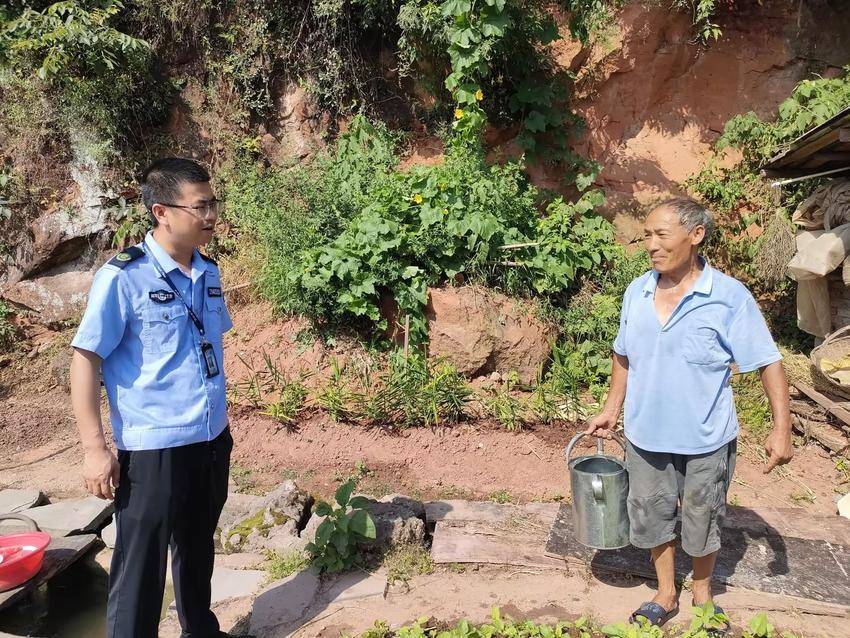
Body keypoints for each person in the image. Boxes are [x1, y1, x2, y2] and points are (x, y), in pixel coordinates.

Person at [585, 197, 794, 629]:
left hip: (706, 438)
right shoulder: (637, 292)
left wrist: (782, 428)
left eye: (661, 235)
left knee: (703, 516)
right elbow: (623, 355)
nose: (651, 245)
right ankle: (665, 593)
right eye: (647, 235)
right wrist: (611, 409)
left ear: (696, 235)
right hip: (646, 436)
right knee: (650, 514)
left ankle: (702, 593)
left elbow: (768, 361)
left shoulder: (728, 296)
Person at [70, 158, 250, 638]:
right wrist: (94, 449)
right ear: (161, 212)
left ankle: (200, 630)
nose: (211, 215)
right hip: (154, 448)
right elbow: (85, 360)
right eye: (200, 206)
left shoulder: (208, 272)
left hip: (210, 438)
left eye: (213, 204)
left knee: (197, 547)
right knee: (140, 568)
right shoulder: (123, 277)